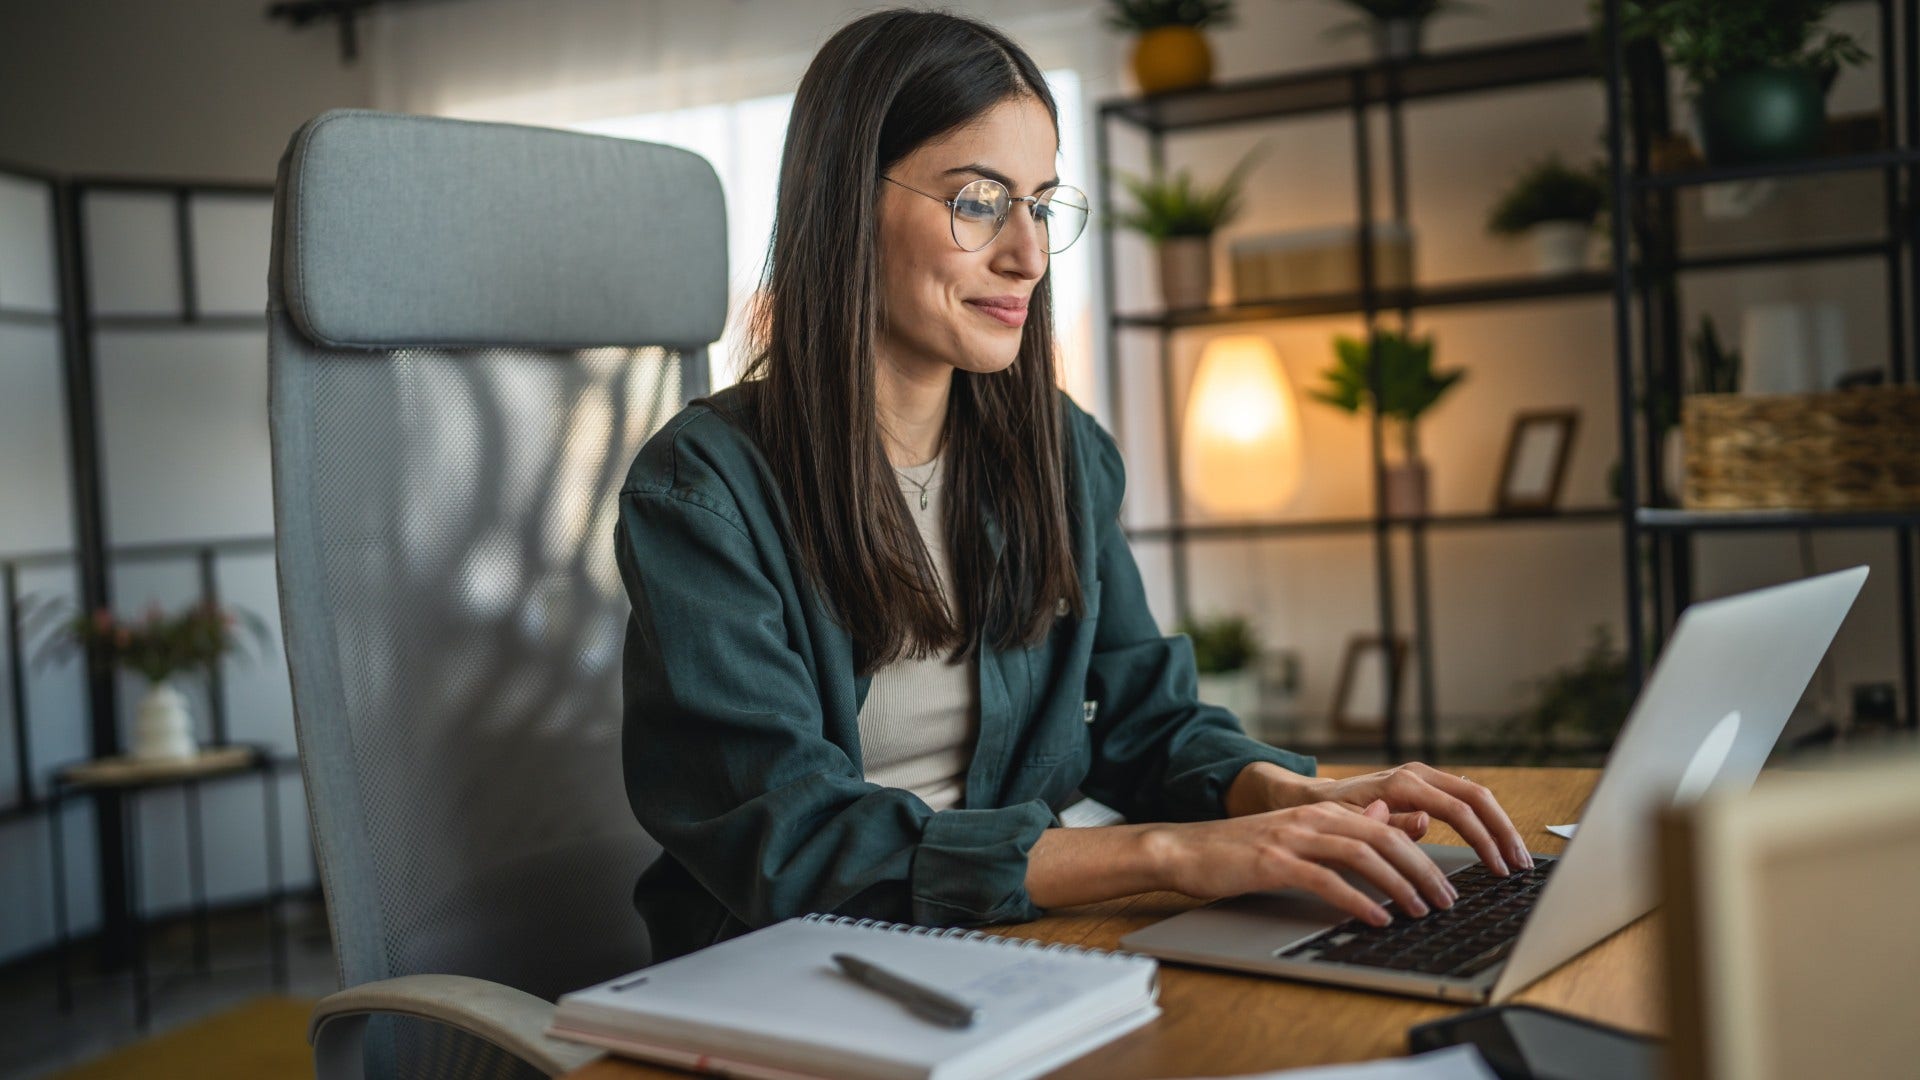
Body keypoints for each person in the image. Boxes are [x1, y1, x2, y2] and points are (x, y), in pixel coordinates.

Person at [614, 8, 1531, 964]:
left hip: (1016, 940)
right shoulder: (703, 488)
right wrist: (1172, 853)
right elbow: (791, 842)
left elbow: (1143, 717)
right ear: (845, 201)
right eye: (978, 201)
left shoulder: (1058, 451)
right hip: (794, 966)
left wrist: (1288, 798)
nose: (1027, 255)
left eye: (1042, 204)